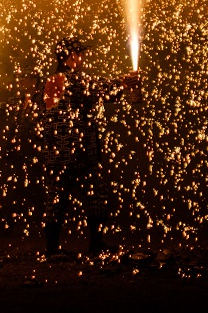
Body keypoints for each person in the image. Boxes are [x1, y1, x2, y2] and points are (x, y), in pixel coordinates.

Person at [40, 36, 141, 257]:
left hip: (56, 153)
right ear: (71, 56)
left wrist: (121, 85)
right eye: (80, 53)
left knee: (56, 199)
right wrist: (126, 81)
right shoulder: (71, 79)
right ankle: (95, 244)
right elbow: (97, 89)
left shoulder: (52, 79)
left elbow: (100, 94)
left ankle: (52, 248)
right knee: (97, 194)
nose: (83, 58)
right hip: (76, 153)